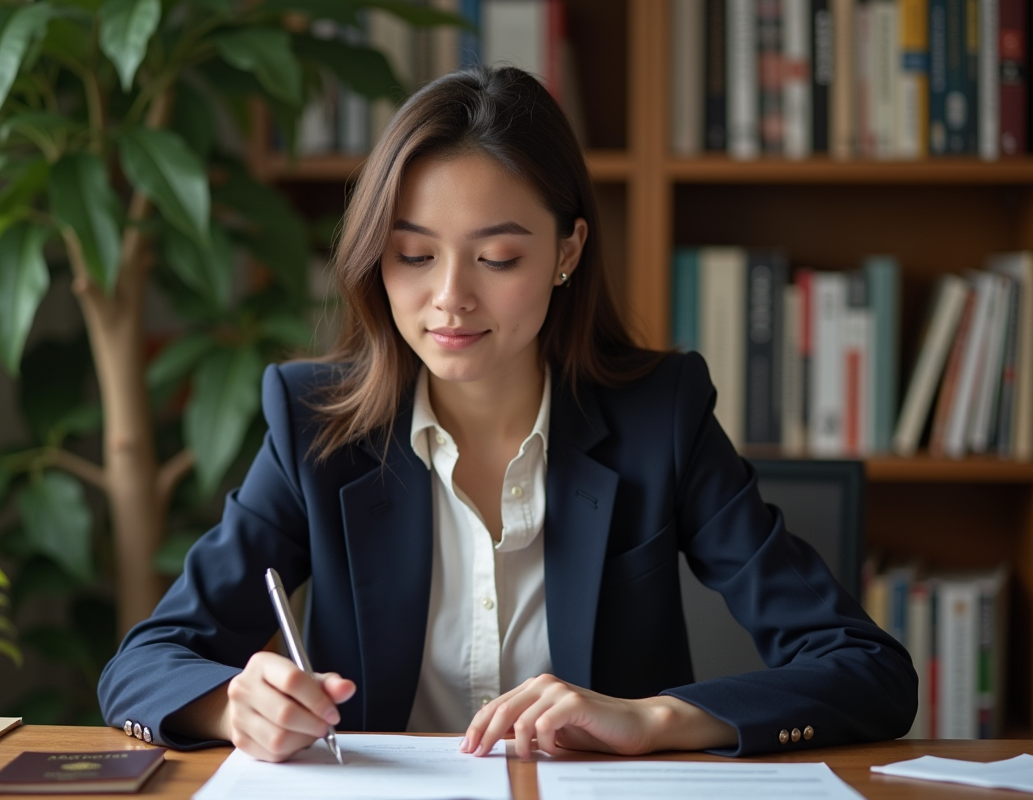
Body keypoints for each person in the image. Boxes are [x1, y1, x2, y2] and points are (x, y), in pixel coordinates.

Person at [98, 66, 916, 762]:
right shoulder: (317, 426)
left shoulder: (659, 418)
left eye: (497, 257)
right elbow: (146, 664)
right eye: (413, 255)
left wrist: (655, 718)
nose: (450, 297)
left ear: (567, 252)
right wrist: (231, 707)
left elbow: (865, 669)